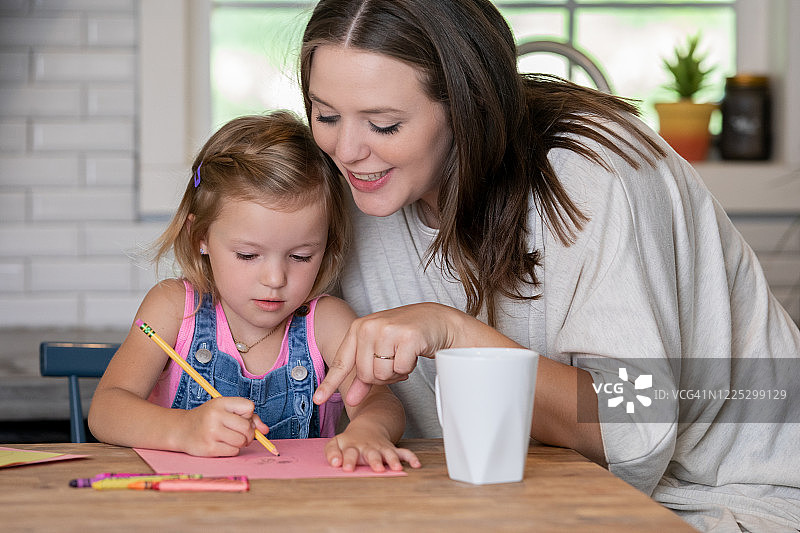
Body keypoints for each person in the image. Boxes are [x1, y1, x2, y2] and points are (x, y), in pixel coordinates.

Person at [298, 0, 800, 530]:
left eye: (383, 125)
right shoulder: (349, 187)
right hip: (520, 499)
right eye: (326, 115)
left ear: (468, 107)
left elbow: (634, 421)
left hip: (735, 496)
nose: (346, 150)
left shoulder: (594, 173)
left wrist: (452, 332)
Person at [88, 111, 420, 473]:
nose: (275, 279)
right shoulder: (172, 308)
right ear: (200, 237)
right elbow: (106, 410)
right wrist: (183, 429)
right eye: (248, 255)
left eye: (300, 256)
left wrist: (370, 429)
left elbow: (380, 401)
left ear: (328, 246)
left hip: (302, 501)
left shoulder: (327, 322)